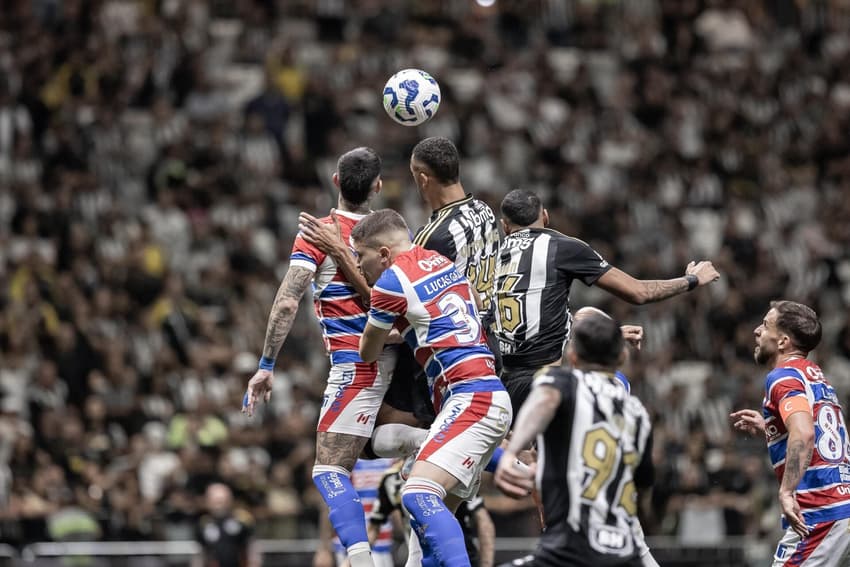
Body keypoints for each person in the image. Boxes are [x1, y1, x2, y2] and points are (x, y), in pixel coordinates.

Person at [241, 147, 388, 567]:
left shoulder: (317, 232)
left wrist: (266, 365)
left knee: (329, 471)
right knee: (404, 456)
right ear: (377, 186)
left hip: (357, 365)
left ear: (336, 181)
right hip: (404, 361)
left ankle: (361, 560)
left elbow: (288, 303)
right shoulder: (394, 233)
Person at [352, 208, 511, 567]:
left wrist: (391, 332)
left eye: (359, 256)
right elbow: (471, 301)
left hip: (470, 397)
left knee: (417, 493)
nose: (359, 265)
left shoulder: (390, 282)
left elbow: (368, 350)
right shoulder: (441, 261)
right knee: (425, 535)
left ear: (382, 254)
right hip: (484, 390)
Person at [494, 188, 720, 414]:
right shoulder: (561, 247)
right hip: (547, 386)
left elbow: (528, 319)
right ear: (545, 216)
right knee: (618, 381)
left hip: (505, 388)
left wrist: (601, 335)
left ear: (505, 226)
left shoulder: (493, 257)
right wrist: (692, 280)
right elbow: (639, 292)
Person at [493, 312, 655, 567]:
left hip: (570, 547)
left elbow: (545, 400)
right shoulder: (639, 414)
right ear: (622, 356)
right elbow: (643, 486)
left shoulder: (559, 382)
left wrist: (512, 451)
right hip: (623, 548)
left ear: (572, 355)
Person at [730, 301, 850, 566]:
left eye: (764, 325)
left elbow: (805, 433)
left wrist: (786, 492)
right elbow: (819, 430)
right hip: (842, 506)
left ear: (783, 341)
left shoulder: (782, 377)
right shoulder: (815, 375)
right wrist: (771, 428)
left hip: (821, 513)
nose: (756, 331)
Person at [369, 460, 496, 567]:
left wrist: (486, 564)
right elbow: (374, 526)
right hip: (421, 556)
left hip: (461, 556)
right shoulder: (391, 479)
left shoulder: (451, 470)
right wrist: (356, 554)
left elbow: (483, 522)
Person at [193, 483, 260, 567]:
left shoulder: (242, 520)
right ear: (208, 502)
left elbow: (252, 548)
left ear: (230, 501)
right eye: (215, 502)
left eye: (222, 501)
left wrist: (254, 564)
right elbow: (200, 553)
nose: (219, 506)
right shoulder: (204, 524)